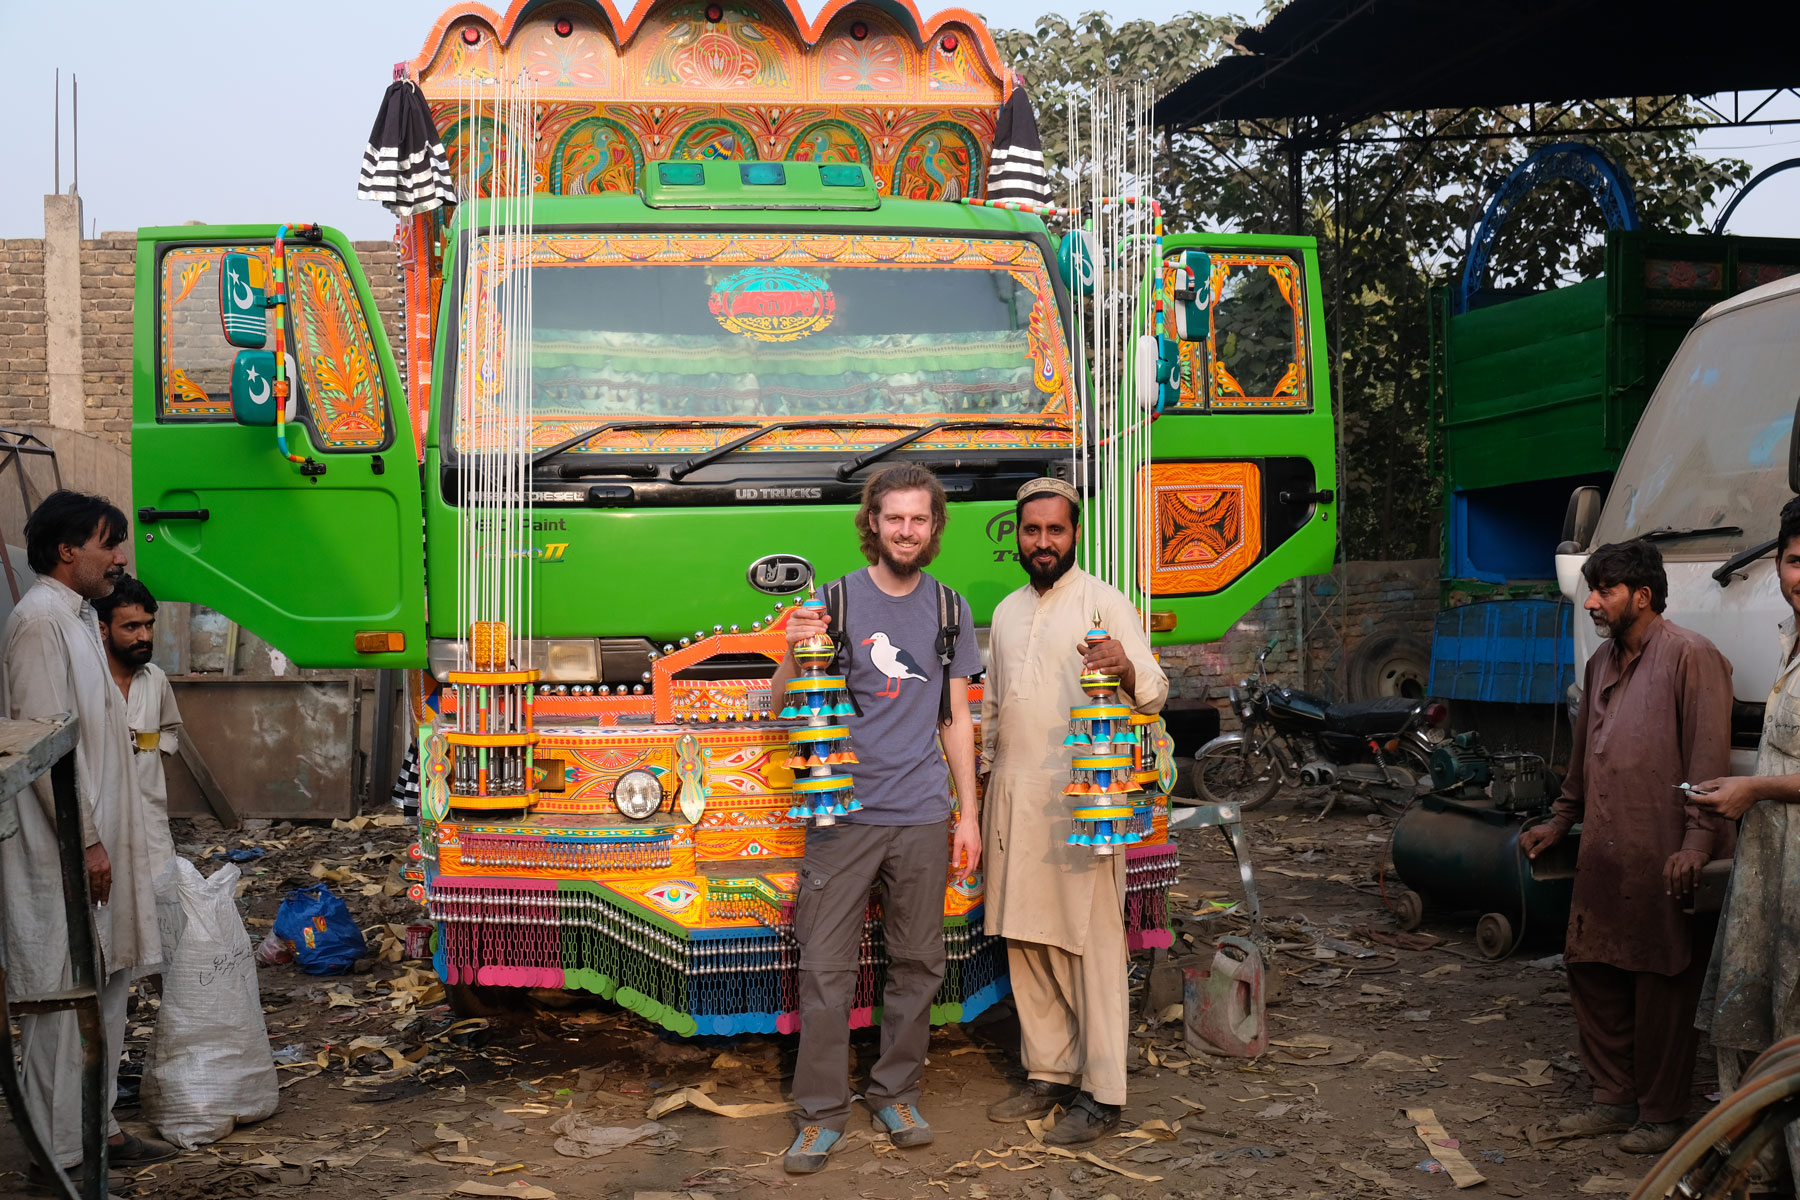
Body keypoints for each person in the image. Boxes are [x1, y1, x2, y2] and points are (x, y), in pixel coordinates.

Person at [768, 463, 982, 1174]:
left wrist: (967, 816)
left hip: (922, 814)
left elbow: (956, 722)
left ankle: (895, 1092)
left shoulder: (950, 610)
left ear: (934, 527)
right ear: (873, 523)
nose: (906, 530)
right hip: (841, 818)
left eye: (919, 519)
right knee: (825, 970)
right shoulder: (833, 603)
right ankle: (820, 1115)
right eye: (894, 518)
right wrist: (789, 645)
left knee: (918, 964)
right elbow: (779, 707)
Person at [1520, 538, 1735, 1154]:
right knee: (1592, 966)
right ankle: (1611, 1098)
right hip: (1607, 848)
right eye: (1591, 588)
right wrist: (1561, 821)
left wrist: (1697, 842)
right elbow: (1584, 757)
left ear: (1642, 597)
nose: (1590, 601)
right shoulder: (1600, 664)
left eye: (1605, 590)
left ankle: (1662, 1113)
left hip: (1667, 848)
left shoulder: (1693, 657)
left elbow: (1708, 762)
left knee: (1663, 976)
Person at [978, 478, 1167, 1144]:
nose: (1043, 542)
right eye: (1032, 531)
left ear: (1074, 534)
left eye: (1055, 530)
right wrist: (979, 791)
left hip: (1085, 800)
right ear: (1019, 538)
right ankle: (1048, 1074)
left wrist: (1122, 666)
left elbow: (1155, 690)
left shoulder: (1105, 602)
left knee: (1089, 943)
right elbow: (994, 711)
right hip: (1013, 795)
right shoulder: (1003, 613)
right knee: (1025, 937)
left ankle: (1103, 1091)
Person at [0, 491, 174, 1181]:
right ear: (68, 550)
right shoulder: (40, 623)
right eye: (108, 544)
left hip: (98, 846)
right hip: (63, 851)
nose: (119, 558)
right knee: (62, 1000)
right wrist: (90, 843)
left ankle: (96, 1134)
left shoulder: (75, 620)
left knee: (104, 989)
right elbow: (44, 751)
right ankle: (59, 1155)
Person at [1688, 496, 1800, 1180]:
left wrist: (1752, 789)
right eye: (1793, 560)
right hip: (1775, 861)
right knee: (1770, 1020)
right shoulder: (1792, 636)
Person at [94, 574, 181, 879]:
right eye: (131, 627)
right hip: (100, 827)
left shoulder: (155, 678)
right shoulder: (88, 681)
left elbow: (171, 731)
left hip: (151, 823)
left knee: (160, 904)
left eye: (148, 624)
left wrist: (152, 751)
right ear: (102, 629)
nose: (144, 636)